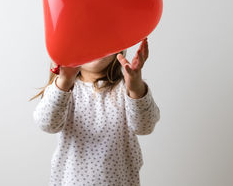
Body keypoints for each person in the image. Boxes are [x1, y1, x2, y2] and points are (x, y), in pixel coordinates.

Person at [30, 37, 160, 185]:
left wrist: (136, 89)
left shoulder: (125, 90)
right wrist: (64, 82)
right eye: (86, 40)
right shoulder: (64, 90)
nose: (94, 47)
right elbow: (47, 124)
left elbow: (145, 127)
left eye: (101, 39)